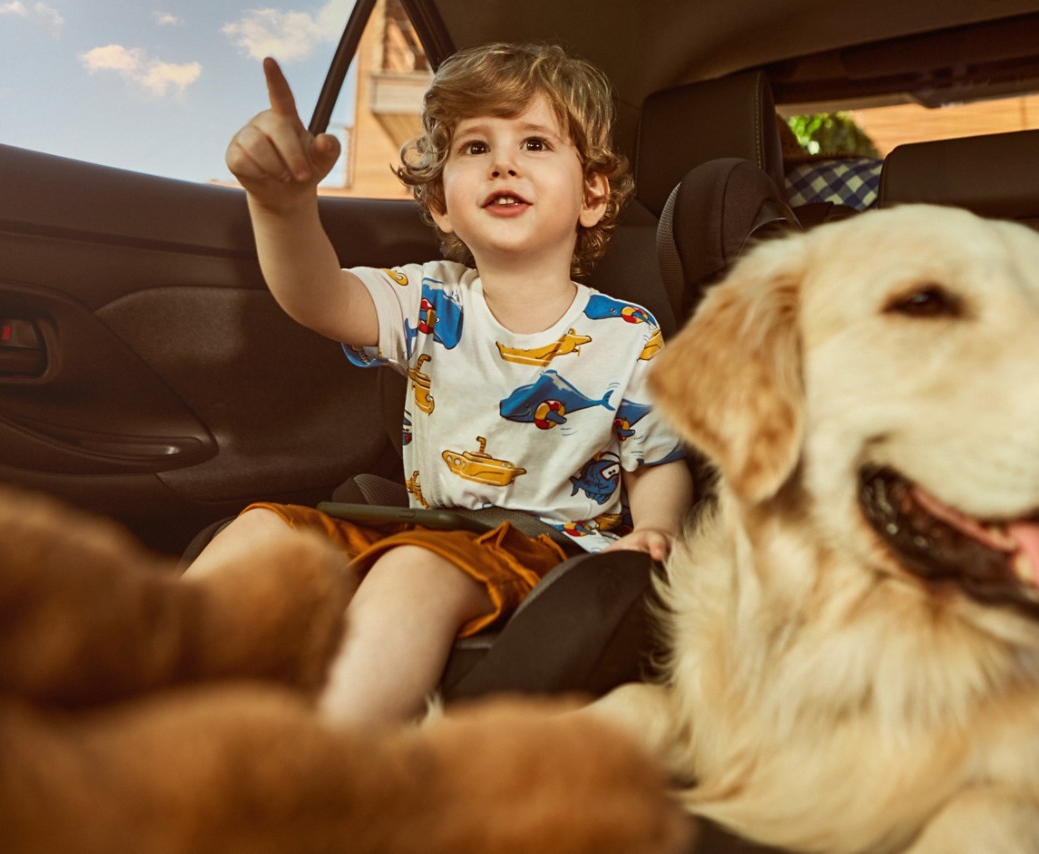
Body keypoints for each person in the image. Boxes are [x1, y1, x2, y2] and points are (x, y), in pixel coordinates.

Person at [185, 43, 692, 727]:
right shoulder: (430, 299)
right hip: (422, 524)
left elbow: (656, 454)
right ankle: (140, 704)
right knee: (264, 528)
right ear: (442, 204)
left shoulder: (627, 334)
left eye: (535, 143)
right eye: (475, 147)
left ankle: (319, 767)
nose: (503, 163)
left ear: (592, 196)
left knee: (414, 569)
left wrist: (657, 530)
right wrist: (282, 209)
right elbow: (320, 297)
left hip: (544, 547)